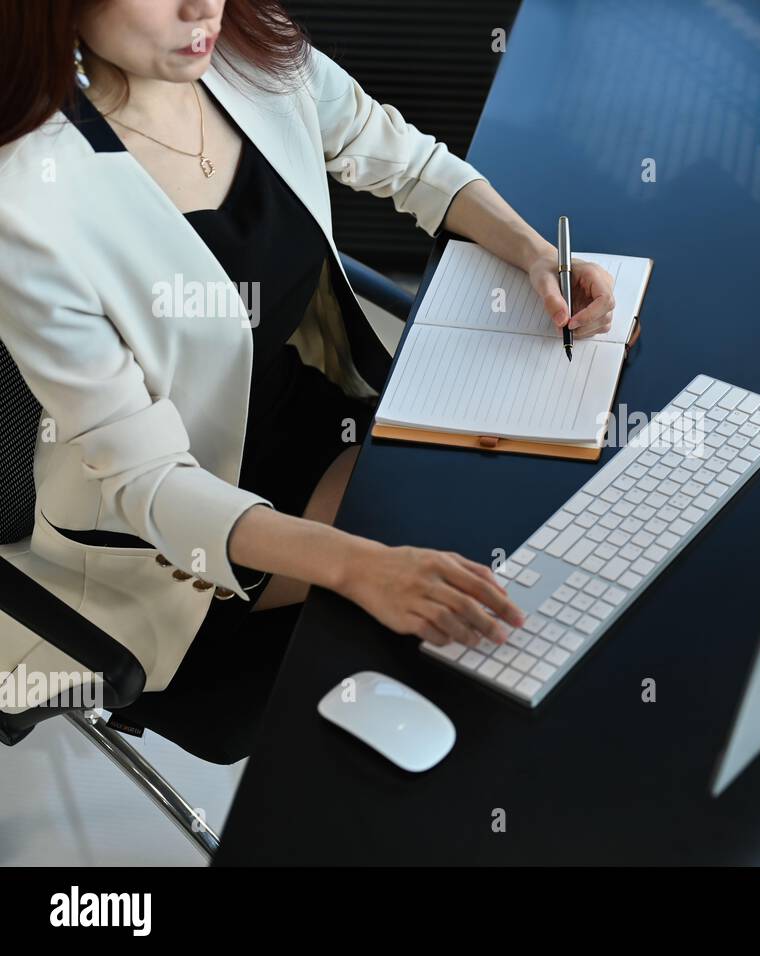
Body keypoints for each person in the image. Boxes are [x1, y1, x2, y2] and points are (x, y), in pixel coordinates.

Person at [0, 0, 616, 761]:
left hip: (305, 422)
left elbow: (414, 165)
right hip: (170, 548)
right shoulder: (28, 197)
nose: (203, 8)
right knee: (456, 663)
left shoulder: (249, 55)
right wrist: (361, 567)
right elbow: (147, 481)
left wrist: (531, 253)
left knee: (523, 554)